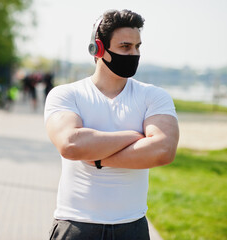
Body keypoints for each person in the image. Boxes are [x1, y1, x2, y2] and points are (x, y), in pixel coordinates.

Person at [44, 9, 179, 240]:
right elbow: (71, 145)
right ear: (98, 48)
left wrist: (96, 157)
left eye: (138, 47)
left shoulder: (154, 96)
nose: (134, 53)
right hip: (76, 226)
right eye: (125, 47)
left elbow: (163, 151)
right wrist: (137, 136)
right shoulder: (66, 95)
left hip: (132, 227)